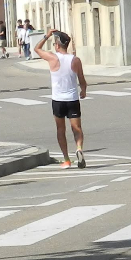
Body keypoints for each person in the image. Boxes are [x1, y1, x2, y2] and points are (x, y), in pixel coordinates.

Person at [34, 30, 88, 168]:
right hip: (72, 99)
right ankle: (79, 148)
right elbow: (82, 80)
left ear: (57, 45)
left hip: (58, 100)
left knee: (60, 129)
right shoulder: (75, 60)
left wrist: (47, 35)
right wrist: (83, 90)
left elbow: (37, 49)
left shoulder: (52, 58)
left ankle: (66, 159)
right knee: (76, 128)